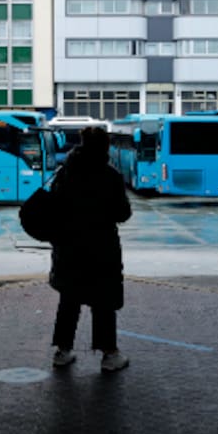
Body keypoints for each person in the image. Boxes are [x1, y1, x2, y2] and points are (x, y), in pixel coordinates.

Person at [48, 126, 133, 373]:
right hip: (101, 247)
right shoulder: (110, 176)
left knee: (69, 299)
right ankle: (109, 354)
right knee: (104, 300)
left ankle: (62, 351)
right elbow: (122, 213)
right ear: (105, 146)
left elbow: (55, 206)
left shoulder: (65, 173)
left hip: (69, 246)